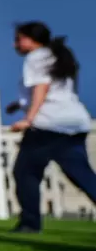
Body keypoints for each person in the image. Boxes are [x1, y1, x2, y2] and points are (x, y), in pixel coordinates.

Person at [6, 21, 96, 233]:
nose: (14, 45)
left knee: (25, 172)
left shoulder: (36, 57)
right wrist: (19, 104)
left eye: (18, 39)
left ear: (31, 39)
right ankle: (29, 222)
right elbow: (57, 90)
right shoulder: (57, 54)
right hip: (75, 121)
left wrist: (29, 119)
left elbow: (42, 87)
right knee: (81, 174)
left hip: (49, 125)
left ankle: (30, 223)